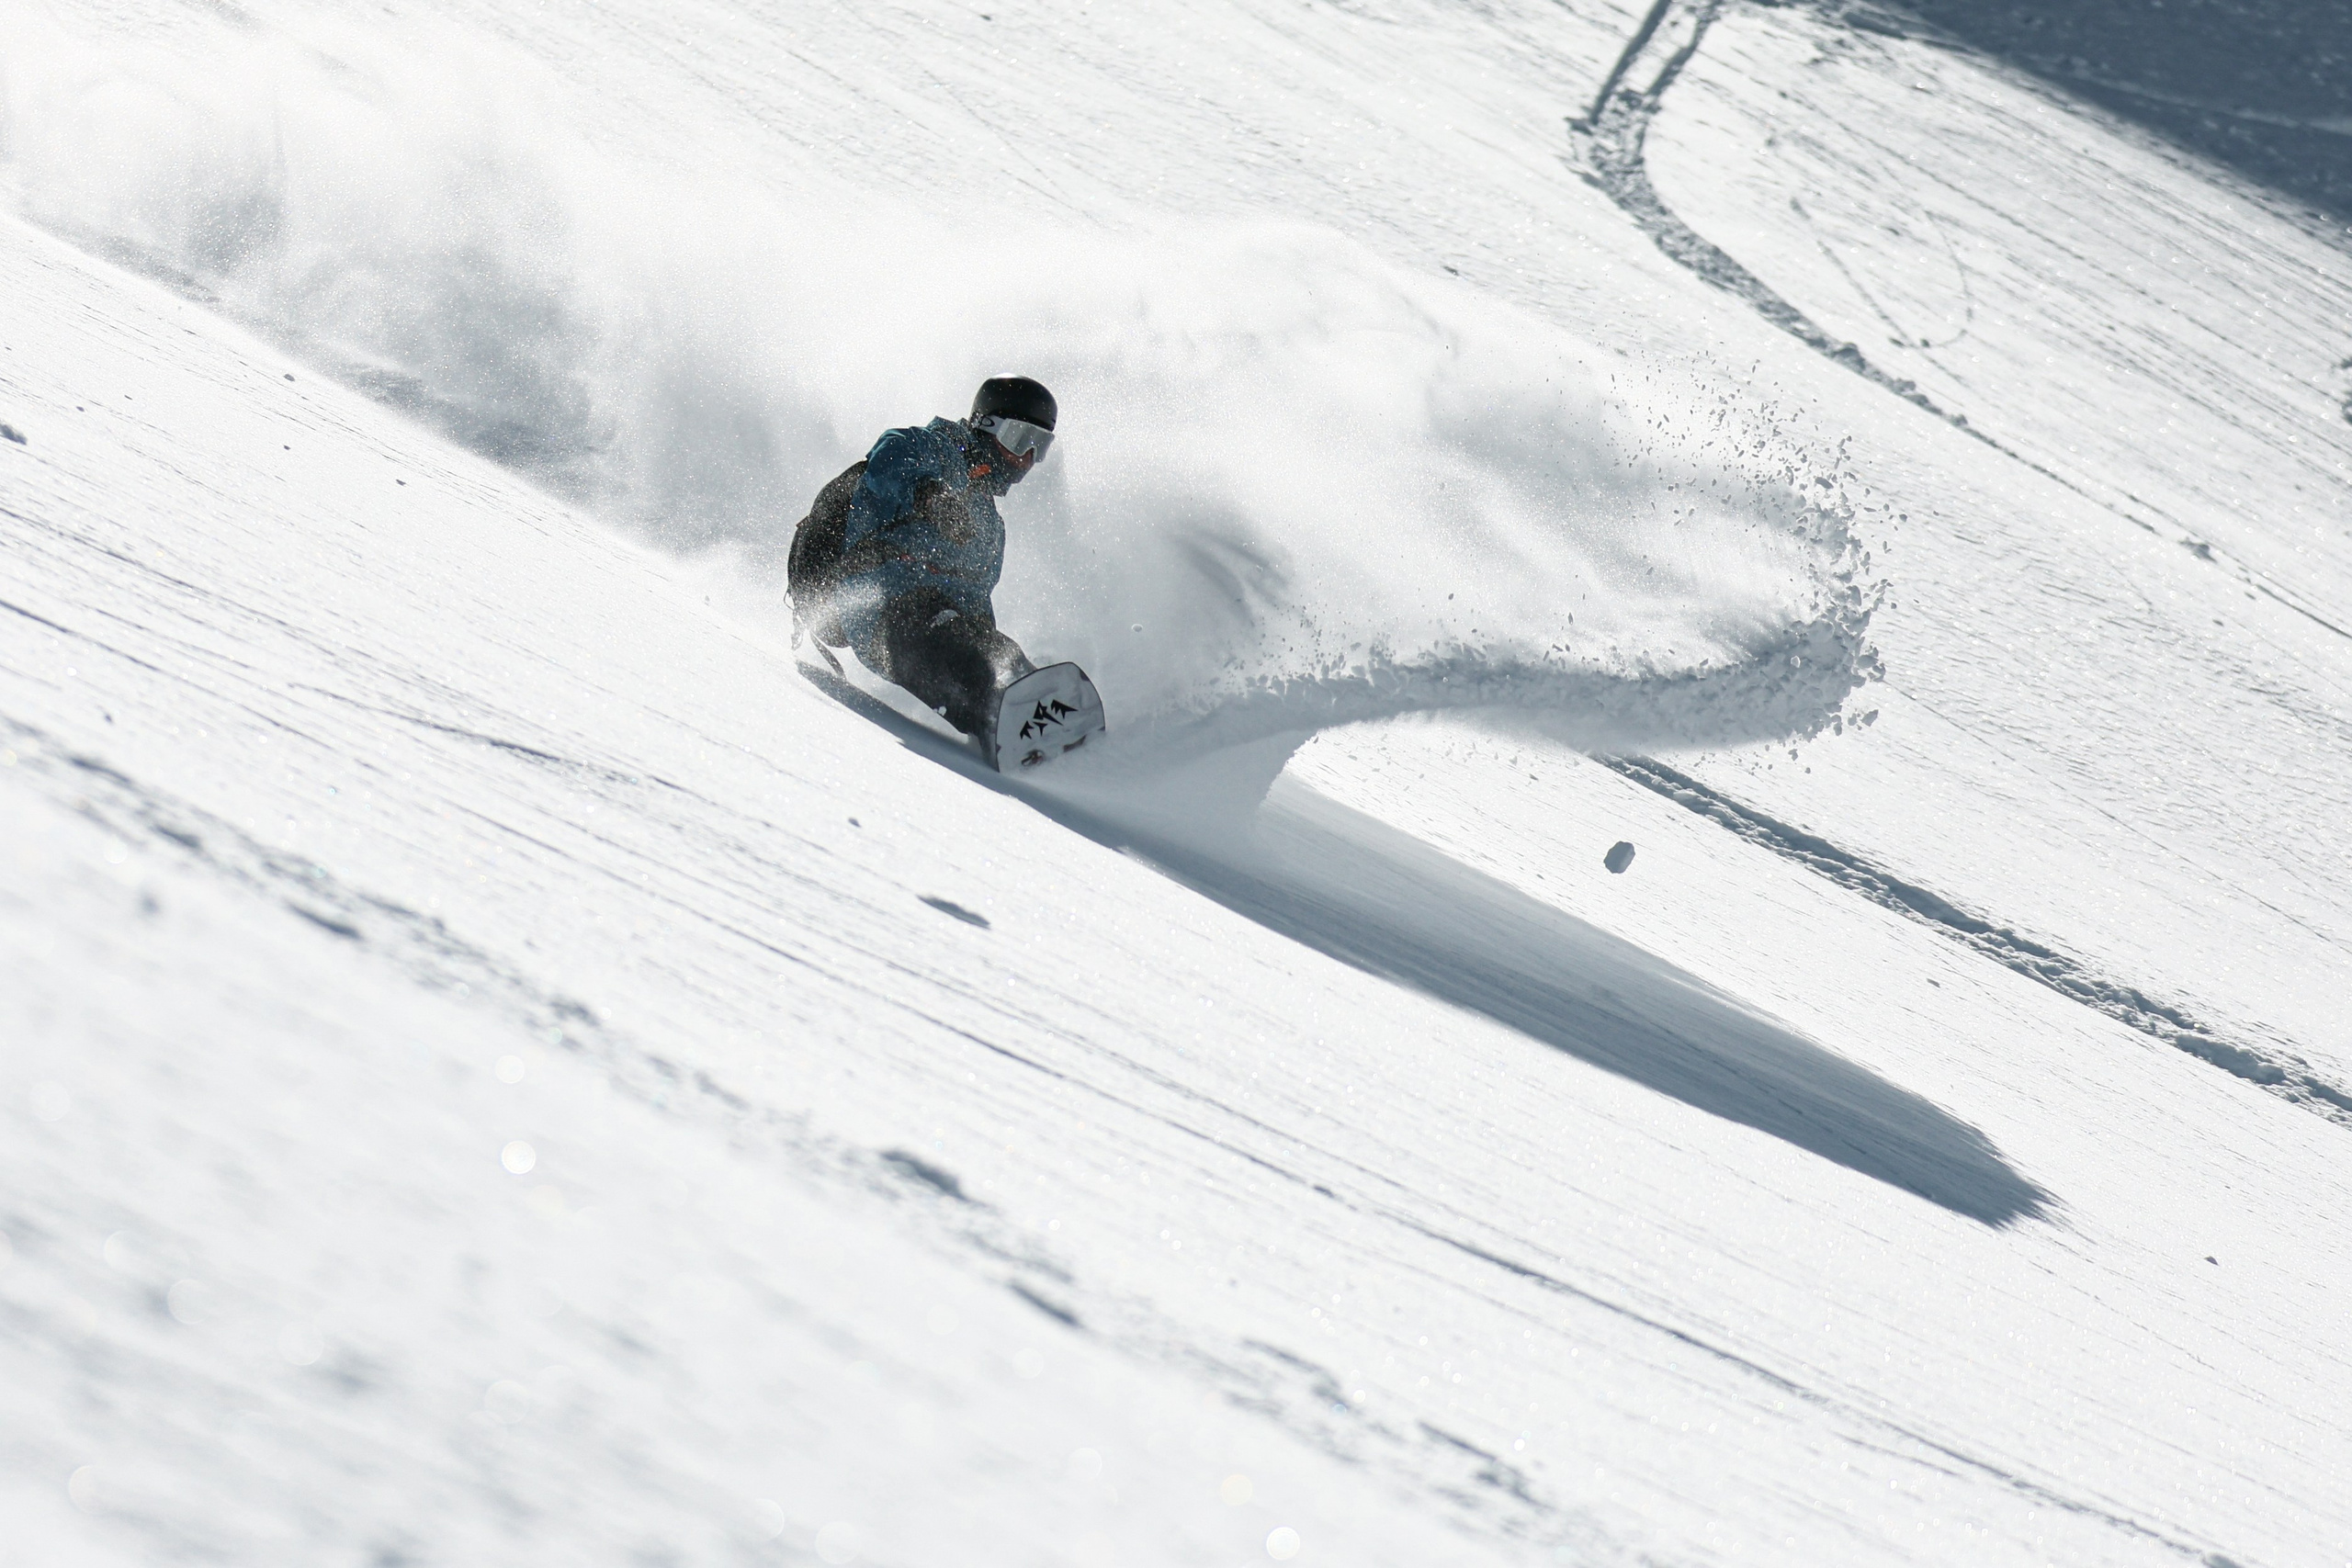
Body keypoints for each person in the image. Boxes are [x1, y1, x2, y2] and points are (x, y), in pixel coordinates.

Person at [789, 376, 1057, 741]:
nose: (1026, 460)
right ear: (986, 425)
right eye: (1019, 439)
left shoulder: (992, 528)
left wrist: (984, 634)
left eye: (1039, 447)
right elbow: (890, 456)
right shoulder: (939, 448)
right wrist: (929, 494)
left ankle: (1047, 721)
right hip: (875, 607)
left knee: (998, 652)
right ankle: (1004, 720)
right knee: (949, 647)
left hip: (936, 618)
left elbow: (975, 600)